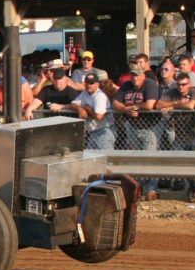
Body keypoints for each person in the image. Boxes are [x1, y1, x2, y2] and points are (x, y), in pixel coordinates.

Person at [114, 65, 161, 199]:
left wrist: (133, 107)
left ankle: (151, 189)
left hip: (151, 126)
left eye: (137, 75)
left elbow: (149, 105)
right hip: (132, 126)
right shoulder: (126, 85)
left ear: (143, 76)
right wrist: (126, 110)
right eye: (133, 75)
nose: (135, 78)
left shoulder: (150, 84)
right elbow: (115, 104)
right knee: (135, 158)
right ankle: (138, 188)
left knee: (150, 158)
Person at [69, 73, 115, 149]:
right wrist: (80, 109)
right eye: (87, 82)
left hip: (104, 132)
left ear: (97, 84)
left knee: (107, 159)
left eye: (91, 83)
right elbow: (73, 103)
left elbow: (99, 116)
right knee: (91, 158)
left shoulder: (99, 96)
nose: (88, 85)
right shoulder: (85, 92)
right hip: (94, 132)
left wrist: (87, 109)